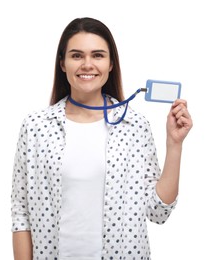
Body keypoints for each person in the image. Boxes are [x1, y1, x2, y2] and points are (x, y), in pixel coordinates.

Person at [11, 17, 193, 260]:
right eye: (77, 56)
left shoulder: (135, 126)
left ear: (110, 64)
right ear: (63, 63)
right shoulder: (35, 127)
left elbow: (158, 212)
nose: (87, 64)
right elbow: (21, 213)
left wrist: (174, 145)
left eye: (98, 55)